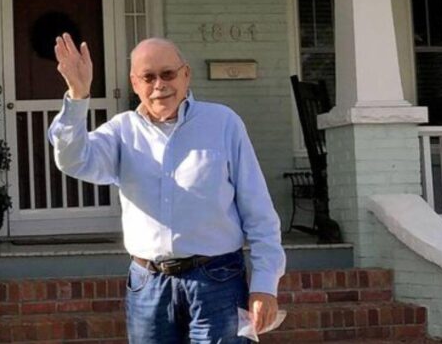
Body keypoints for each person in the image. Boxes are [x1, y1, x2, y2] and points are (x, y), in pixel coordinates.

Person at [47, 33, 285, 343]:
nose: (159, 85)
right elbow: (74, 159)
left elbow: (259, 211)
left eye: (168, 74)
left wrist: (265, 285)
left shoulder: (223, 123)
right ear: (135, 83)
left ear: (186, 75)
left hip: (217, 280)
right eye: (148, 77)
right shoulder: (122, 131)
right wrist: (78, 96)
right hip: (148, 285)